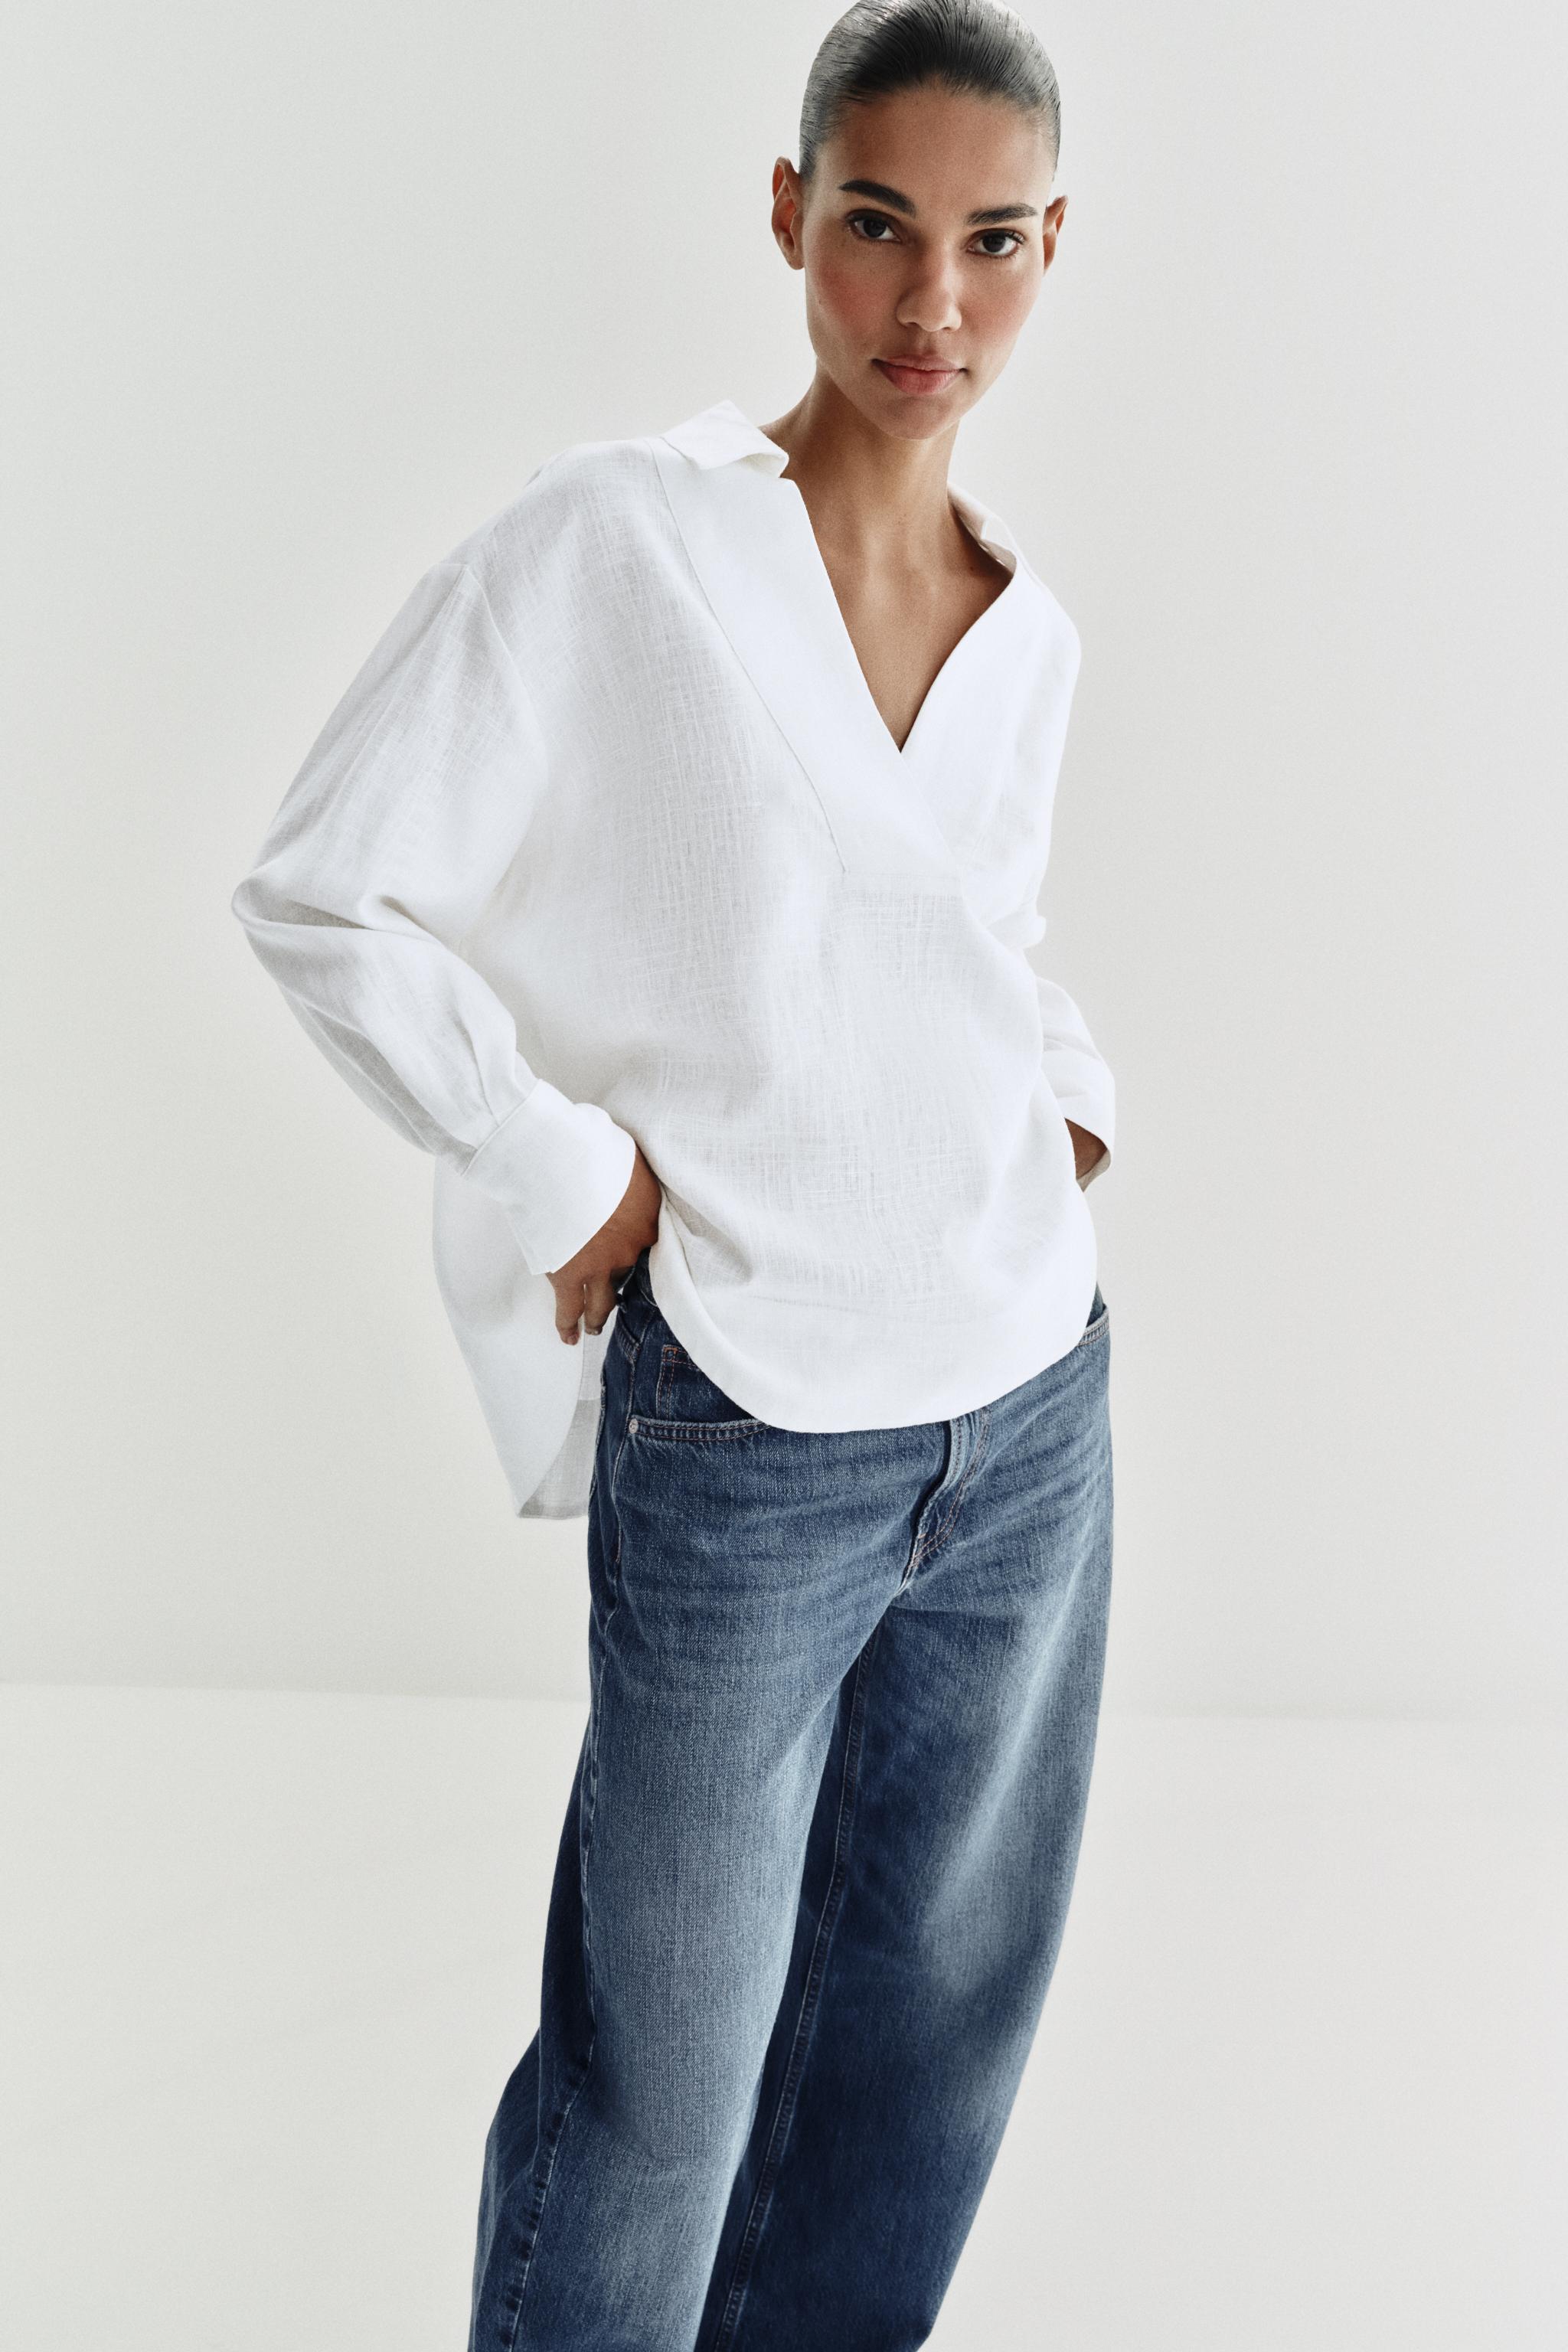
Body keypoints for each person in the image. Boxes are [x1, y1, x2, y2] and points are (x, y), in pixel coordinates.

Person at [230, 2, 1117, 2342]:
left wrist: (1065, 1101)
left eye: (994, 243)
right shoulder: (622, 541)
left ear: (1055, 249)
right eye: (880, 227)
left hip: (1032, 1415)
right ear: (790, 214)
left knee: (919, 2061)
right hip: (749, 1431)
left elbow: (967, 934)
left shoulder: (1030, 631)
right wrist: (548, 1161)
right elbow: (320, 887)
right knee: (656, 2096)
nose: (934, 303)